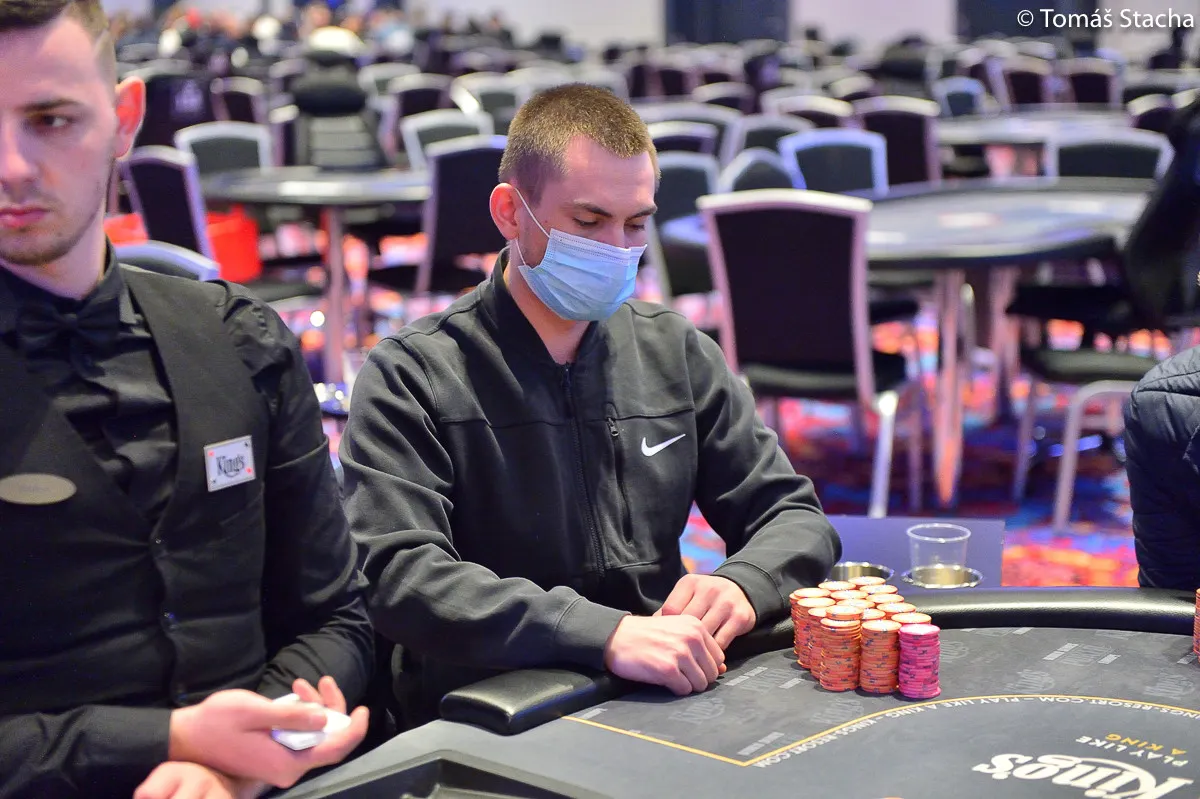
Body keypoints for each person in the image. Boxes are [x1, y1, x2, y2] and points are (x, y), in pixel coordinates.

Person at [341, 84, 841, 726]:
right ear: (510, 212)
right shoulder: (414, 372)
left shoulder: (675, 350)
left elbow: (793, 515)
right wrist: (600, 633)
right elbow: (398, 574)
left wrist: (743, 583)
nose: (616, 248)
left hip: (660, 690)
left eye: (636, 224)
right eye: (587, 222)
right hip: (489, 704)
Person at [0, 0, 373, 796]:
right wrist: (167, 742)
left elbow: (335, 616)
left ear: (124, 119)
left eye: (51, 120)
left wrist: (241, 759)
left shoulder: (243, 340)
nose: (12, 166)